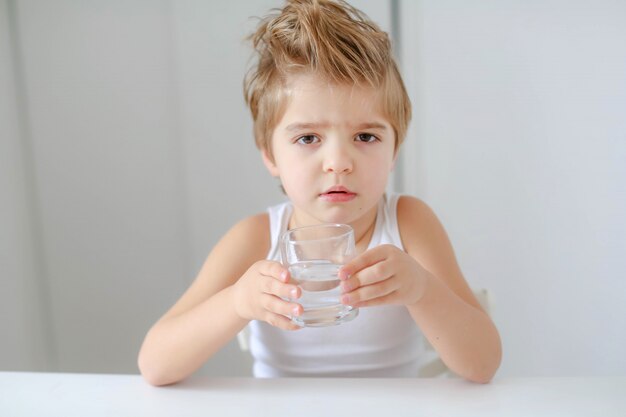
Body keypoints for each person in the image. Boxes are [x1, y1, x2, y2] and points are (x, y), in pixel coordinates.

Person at [138, 0, 501, 385]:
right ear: (270, 154)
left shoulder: (409, 224)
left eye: (366, 136)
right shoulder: (256, 237)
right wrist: (237, 302)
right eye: (308, 137)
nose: (338, 162)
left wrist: (422, 288)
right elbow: (156, 365)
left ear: (393, 150)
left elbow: (483, 365)